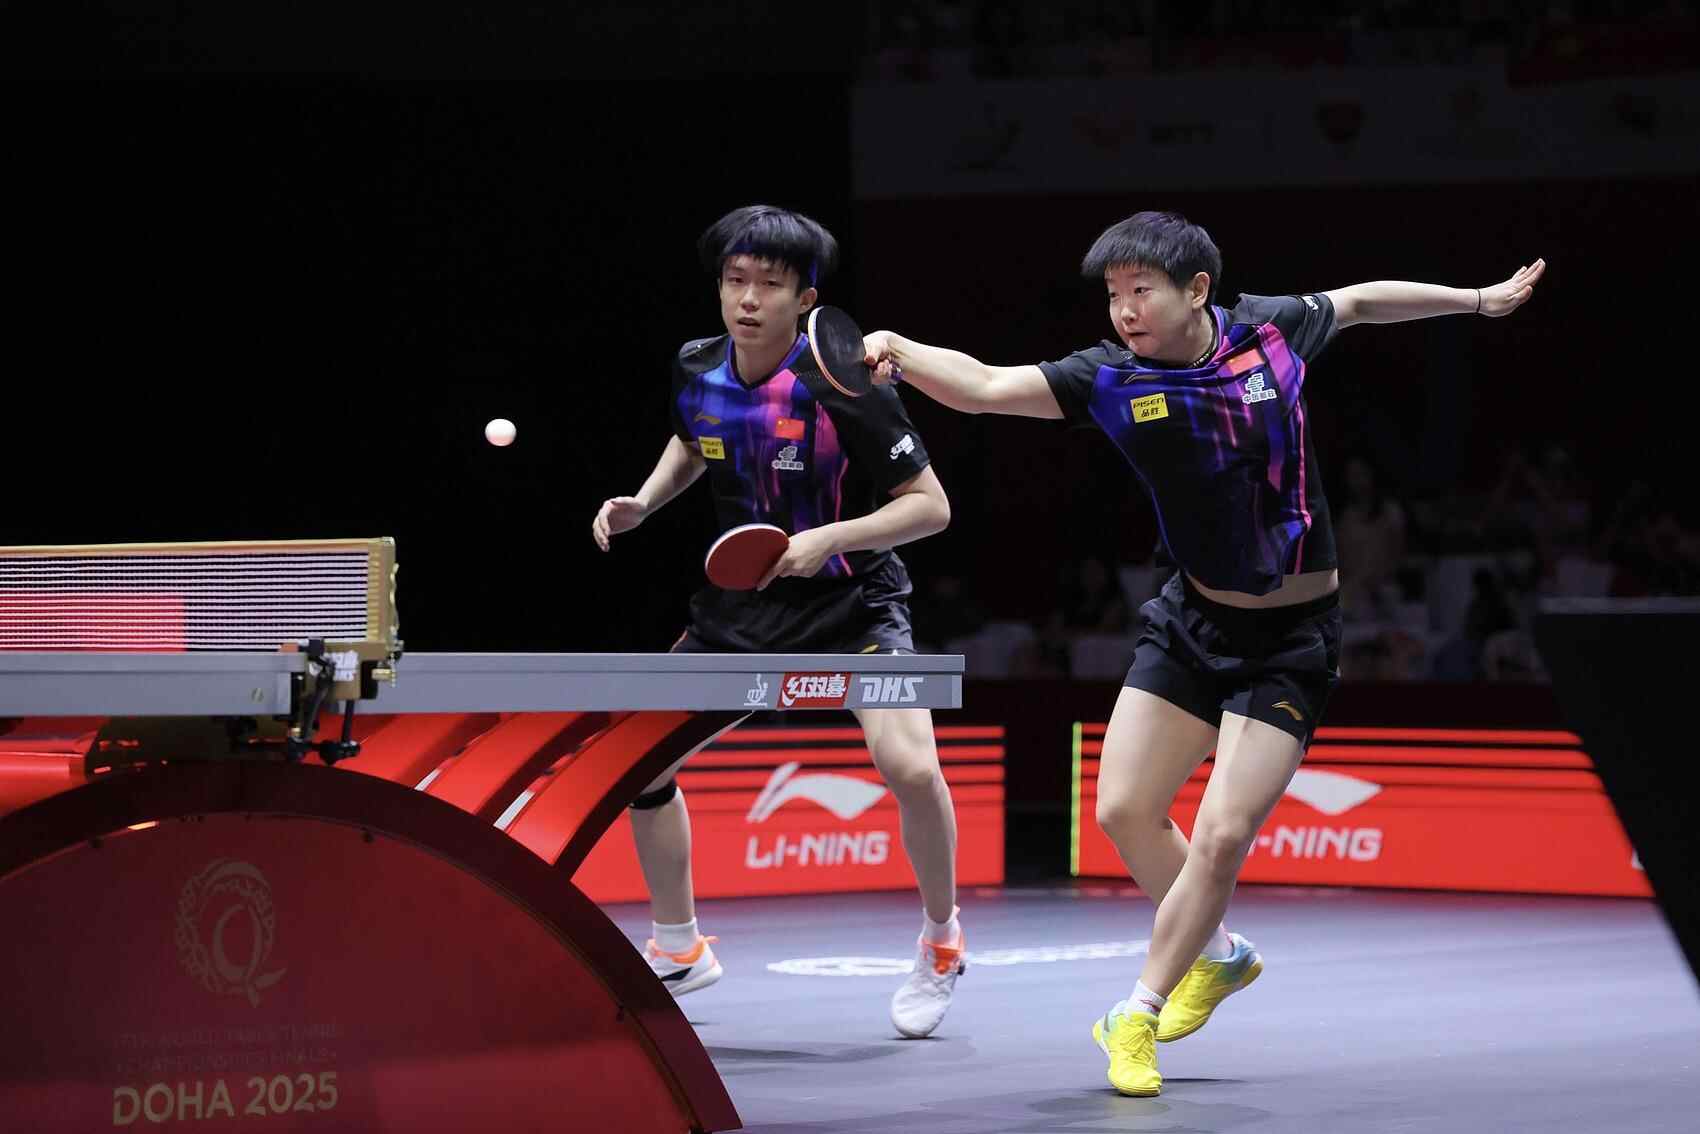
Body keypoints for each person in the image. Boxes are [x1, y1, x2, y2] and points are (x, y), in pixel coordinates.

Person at [864, 210, 1544, 1093]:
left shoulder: (1271, 333)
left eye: (1141, 290)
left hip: (1291, 641)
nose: (1124, 310)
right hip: (1191, 623)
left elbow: (1362, 302)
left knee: (1222, 834)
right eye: (1113, 295)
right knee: (1122, 810)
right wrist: (899, 348)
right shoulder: (1110, 377)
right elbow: (989, 387)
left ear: (1196, 290)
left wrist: (1478, 299)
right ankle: (1219, 956)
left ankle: (1136, 1014)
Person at [591, 205, 966, 1038]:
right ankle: (680, 945)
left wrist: (831, 537)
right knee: (639, 762)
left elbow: (930, 507)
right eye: (735, 280)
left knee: (908, 766)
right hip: (741, 609)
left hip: (853, 603)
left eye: (769, 284)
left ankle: (941, 941)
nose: (749, 299)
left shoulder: (847, 383)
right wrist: (645, 502)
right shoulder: (697, 366)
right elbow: (694, 442)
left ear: (806, 299)